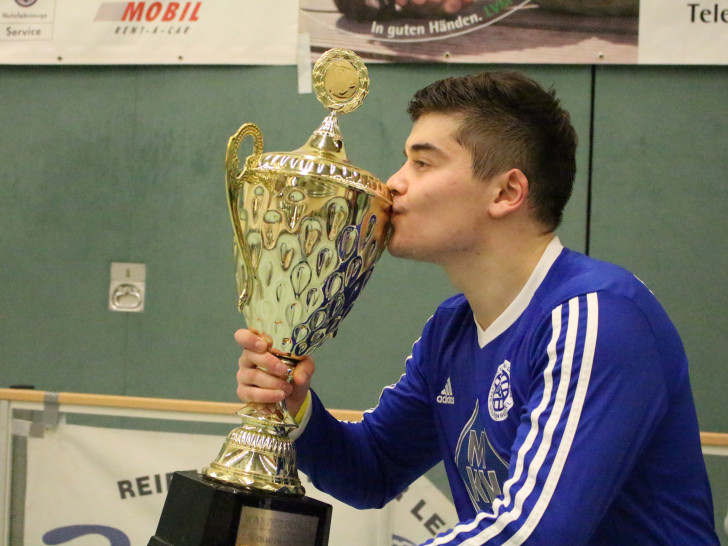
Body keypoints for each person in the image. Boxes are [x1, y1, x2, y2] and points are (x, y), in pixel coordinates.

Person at [235, 71, 719, 544]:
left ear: (507, 192)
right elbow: (372, 470)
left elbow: (532, 535)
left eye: (422, 164)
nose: (393, 184)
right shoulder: (452, 327)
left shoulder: (596, 315)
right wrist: (294, 408)